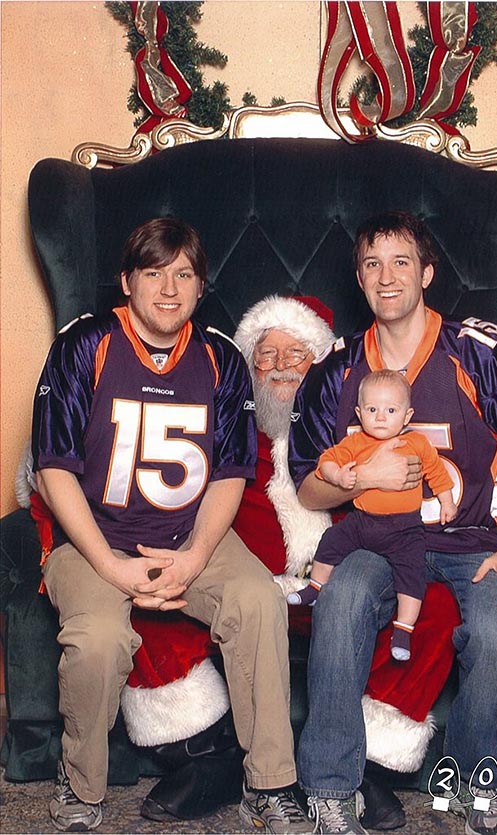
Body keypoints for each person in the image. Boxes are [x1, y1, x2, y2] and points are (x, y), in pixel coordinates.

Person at [116, 294, 462, 829]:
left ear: (320, 364)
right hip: (241, 593)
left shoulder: (368, 436)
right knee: (148, 594)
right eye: (265, 354)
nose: (280, 366)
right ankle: (210, 754)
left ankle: (362, 762)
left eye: (296, 354)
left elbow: (433, 484)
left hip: (339, 590)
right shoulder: (218, 427)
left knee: (434, 607)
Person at [289, 211, 497, 835]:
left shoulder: (481, 350)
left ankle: (480, 786)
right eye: (371, 264)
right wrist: (363, 478)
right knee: (341, 598)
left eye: (401, 262)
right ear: (358, 279)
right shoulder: (335, 370)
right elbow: (308, 489)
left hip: (474, 540)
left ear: (427, 273)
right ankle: (330, 789)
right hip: (380, 539)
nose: (386, 277)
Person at [30, 218, 310, 834]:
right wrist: (113, 567)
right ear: (126, 281)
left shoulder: (219, 358)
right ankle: (80, 788)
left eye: (183, 274)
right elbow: (53, 470)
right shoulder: (85, 345)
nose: (168, 289)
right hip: (94, 536)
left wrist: (193, 555)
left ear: (200, 286)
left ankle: (271, 784)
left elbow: (230, 474)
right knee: (99, 640)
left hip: (191, 533)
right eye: (153, 273)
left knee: (259, 600)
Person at [288, 369, 457, 661]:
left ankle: (403, 629)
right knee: (330, 541)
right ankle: (315, 587)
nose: (380, 417)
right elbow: (326, 461)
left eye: (391, 410)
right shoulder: (356, 443)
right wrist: (338, 475)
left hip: (405, 529)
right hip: (363, 522)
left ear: (407, 416)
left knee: (412, 576)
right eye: (372, 409)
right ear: (359, 412)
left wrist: (447, 502)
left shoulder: (416, 443)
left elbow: (436, 472)